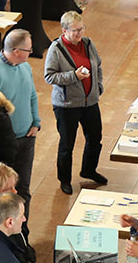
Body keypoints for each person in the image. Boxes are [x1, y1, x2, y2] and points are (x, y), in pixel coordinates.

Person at [44, 11, 106, 194]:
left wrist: (98, 87)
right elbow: (49, 76)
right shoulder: (56, 49)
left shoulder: (88, 43)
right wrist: (74, 76)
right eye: (75, 31)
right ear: (64, 31)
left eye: (82, 29)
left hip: (90, 102)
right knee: (67, 144)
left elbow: (98, 65)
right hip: (67, 105)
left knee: (95, 138)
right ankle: (65, 179)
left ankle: (88, 169)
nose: (80, 34)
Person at [0, 30, 38, 211]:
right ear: (16, 50)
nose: (31, 52)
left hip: (27, 137)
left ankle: (22, 233)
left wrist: (36, 122)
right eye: (28, 49)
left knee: (23, 189)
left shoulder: (25, 67)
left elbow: (32, 95)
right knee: (3, 192)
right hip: (5, 142)